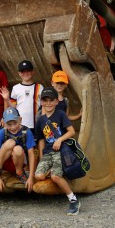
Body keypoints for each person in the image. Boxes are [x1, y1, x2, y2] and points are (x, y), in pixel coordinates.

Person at [34, 87, 79, 215]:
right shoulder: (40, 120)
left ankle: (73, 200)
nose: (48, 103)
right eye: (45, 100)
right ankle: (55, 168)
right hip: (48, 152)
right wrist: (41, 156)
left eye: (51, 100)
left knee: (55, 176)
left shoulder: (61, 114)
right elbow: (41, 140)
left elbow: (71, 131)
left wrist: (59, 140)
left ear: (56, 101)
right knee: (39, 176)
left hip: (61, 151)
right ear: (41, 102)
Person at [0, 106, 37, 192]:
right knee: (10, 142)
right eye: (9, 124)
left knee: (18, 149)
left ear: (20, 119)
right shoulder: (1, 133)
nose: (13, 127)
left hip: (19, 161)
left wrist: (31, 177)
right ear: (4, 123)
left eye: (15, 123)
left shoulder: (26, 132)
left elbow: (31, 155)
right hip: (3, 161)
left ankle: (19, 172)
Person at [0, 59, 43, 129]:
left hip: (36, 123)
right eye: (23, 71)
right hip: (20, 124)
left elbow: (43, 106)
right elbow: (14, 107)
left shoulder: (39, 87)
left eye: (28, 71)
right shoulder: (16, 88)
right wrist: (7, 99)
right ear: (19, 73)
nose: (26, 73)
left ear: (33, 72)